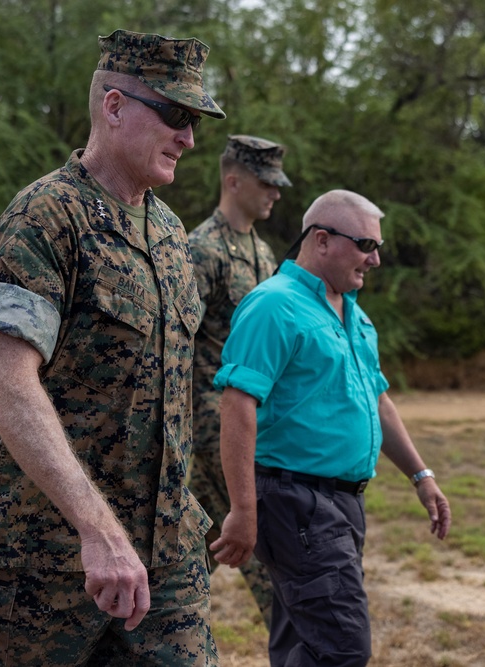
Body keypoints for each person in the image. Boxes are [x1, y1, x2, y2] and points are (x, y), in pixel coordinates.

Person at [0, 29, 225, 667]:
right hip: (35, 572)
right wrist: (98, 530)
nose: (189, 138)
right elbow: (9, 383)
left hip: (165, 573)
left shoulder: (174, 236)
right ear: (114, 107)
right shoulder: (46, 217)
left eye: (195, 121)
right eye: (176, 116)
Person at [209, 189, 452, 666]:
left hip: (343, 502)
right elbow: (237, 405)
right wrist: (242, 508)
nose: (375, 258)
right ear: (322, 240)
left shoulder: (353, 312)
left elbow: (378, 401)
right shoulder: (274, 306)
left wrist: (422, 477)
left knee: (301, 641)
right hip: (298, 503)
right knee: (341, 648)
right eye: (365, 244)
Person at [187, 134, 292, 628]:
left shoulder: (263, 253)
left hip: (253, 420)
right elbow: (174, 343)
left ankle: (144, 624)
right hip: (214, 424)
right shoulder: (201, 251)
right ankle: (299, 645)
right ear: (234, 180)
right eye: (266, 183)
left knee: (195, 547)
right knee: (267, 546)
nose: (275, 193)